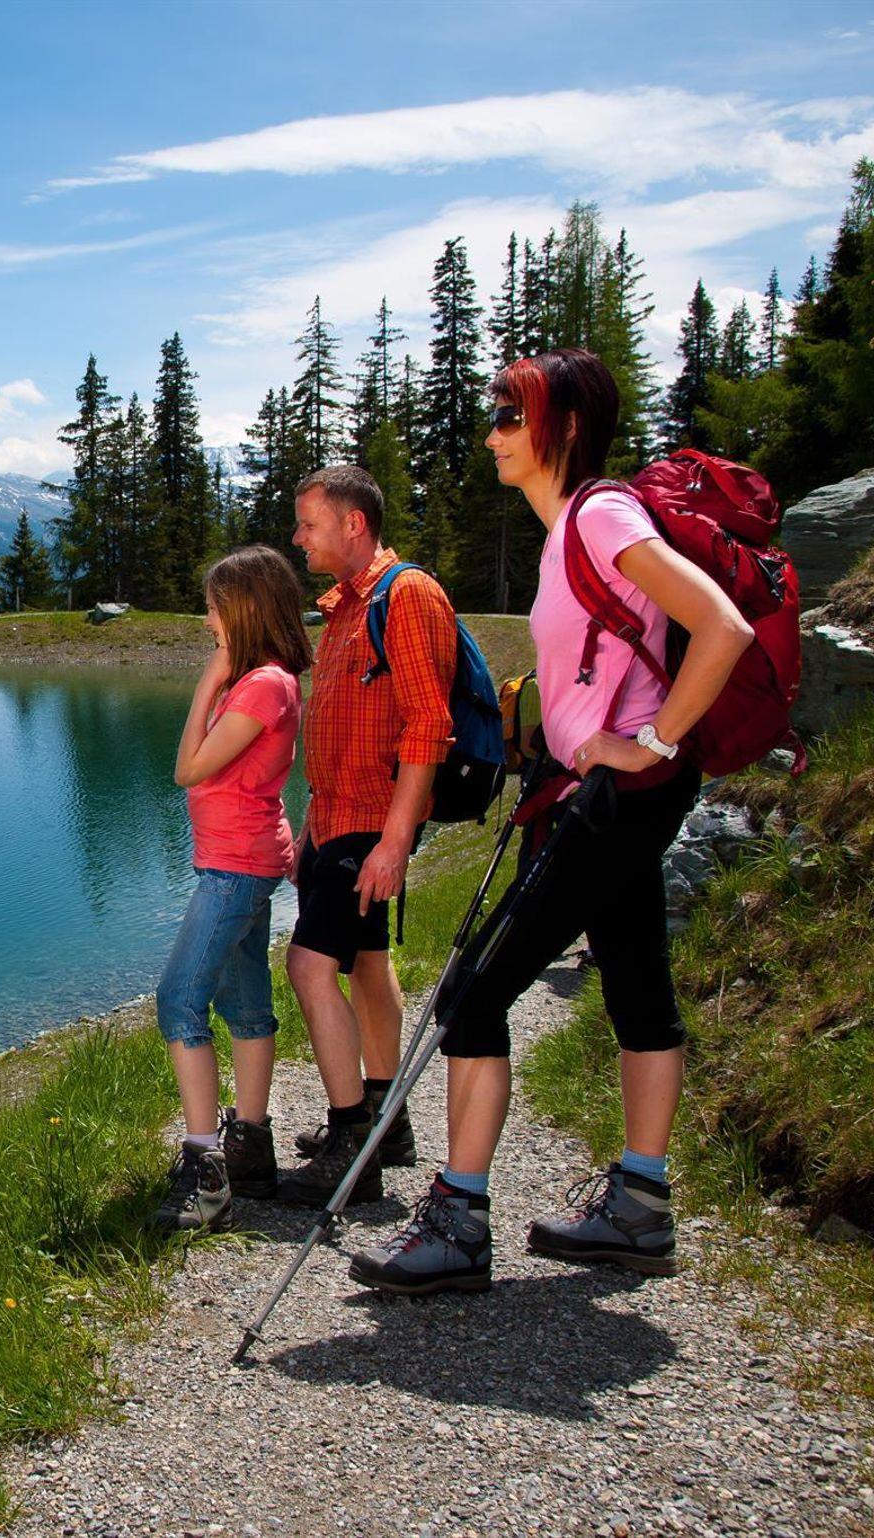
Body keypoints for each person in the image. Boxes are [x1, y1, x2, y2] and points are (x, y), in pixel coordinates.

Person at [352, 348, 752, 1295]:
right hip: (608, 793)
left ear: (563, 427)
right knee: (639, 982)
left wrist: (648, 742)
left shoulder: (600, 515)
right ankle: (640, 1208)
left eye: (509, 415)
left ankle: (458, 1222)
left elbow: (723, 627)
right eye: (494, 414)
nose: (492, 432)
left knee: (472, 994)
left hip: (616, 800)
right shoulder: (570, 525)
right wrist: (562, 733)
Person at [276, 466, 459, 1206]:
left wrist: (394, 841)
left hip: (369, 824)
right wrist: (312, 831)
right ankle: (389, 1122)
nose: (298, 537)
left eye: (308, 523)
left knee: (308, 967)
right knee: (369, 965)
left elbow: (429, 724)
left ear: (353, 523)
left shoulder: (407, 596)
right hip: (335, 820)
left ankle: (352, 1142)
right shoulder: (350, 605)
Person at [150, 546, 313, 1233]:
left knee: (179, 1000)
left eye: (214, 607)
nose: (207, 619)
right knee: (244, 1006)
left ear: (244, 610)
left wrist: (208, 682)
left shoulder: (262, 685)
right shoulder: (264, 682)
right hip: (243, 859)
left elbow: (188, 768)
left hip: (237, 867)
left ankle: (206, 1167)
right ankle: (250, 1147)